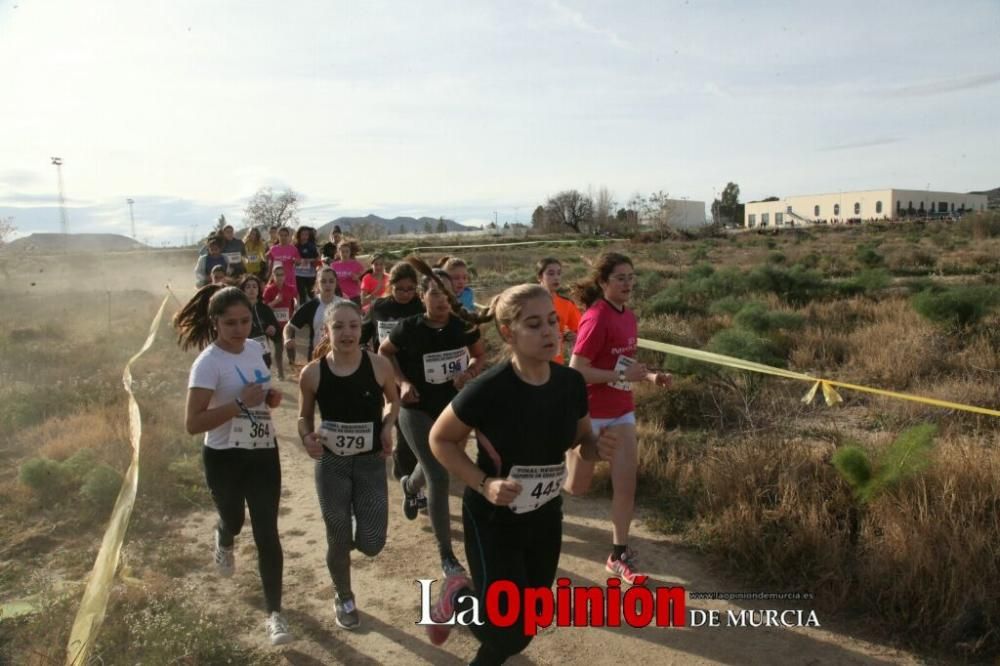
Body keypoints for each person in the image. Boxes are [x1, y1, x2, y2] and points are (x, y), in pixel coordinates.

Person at [427, 284, 620, 661]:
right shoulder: (489, 389)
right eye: (534, 324)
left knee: (526, 622)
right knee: (508, 630)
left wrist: (599, 448)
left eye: (552, 321)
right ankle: (459, 595)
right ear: (507, 333)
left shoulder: (570, 383)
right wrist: (485, 484)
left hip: (545, 515)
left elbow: (582, 440)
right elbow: (440, 439)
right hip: (493, 519)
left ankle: (464, 603)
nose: (549, 331)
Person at [175, 285, 291, 646]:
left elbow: (261, 393)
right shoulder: (207, 364)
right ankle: (223, 538)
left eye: (244, 321)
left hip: (261, 451)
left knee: (267, 533)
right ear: (215, 323)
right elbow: (193, 423)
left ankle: (275, 614)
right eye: (230, 324)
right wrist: (239, 404)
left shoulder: (256, 349)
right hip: (224, 457)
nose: (240, 329)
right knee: (234, 521)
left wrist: (269, 398)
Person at [566, 252, 671, 584]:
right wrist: (615, 373)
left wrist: (650, 377)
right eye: (620, 278)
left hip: (622, 411)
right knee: (577, 488)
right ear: (603, 282)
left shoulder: (629, 317)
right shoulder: (596, 318)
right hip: (589, 414)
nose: (628, 284)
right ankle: (545, 482)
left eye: (631, 277)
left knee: (626, 485)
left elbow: (623, 366)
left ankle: (618, 553)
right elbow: (577, 371)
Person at [378, 261, 486, 577]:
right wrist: (403, 382)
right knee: (439, 474)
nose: (441, 300)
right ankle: (447, 555)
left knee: (430, 468)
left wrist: (469, 372)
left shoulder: (463, 326)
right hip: (417, 409)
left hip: (453, 409)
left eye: (447, 293)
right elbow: (385, 352)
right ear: (424, 297)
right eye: (435, 293)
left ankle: (410, 486)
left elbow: (480, 355)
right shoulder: (408, 327)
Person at [297, 301, 400, 630]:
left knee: (372, 543)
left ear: (362, 328)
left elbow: (393, 400)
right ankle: (344, 594)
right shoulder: (313, 373)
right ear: (326, 330)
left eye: (353, 325)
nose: (347, 333)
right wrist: (306, 437)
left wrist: (386, 427)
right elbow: (303, 416)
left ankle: (346, 539)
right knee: (337, 536)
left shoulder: (380, 366)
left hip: (370, 463)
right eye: (338, 326)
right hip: (332, 465)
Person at [361, 262, 424, 480]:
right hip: (385, 373)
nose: (406, 294)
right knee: (396, 421)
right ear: (391, 286)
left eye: (410, 289)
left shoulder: (422, 308)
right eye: (400, 289)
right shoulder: (379, 307)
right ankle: (405, 468)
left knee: (409, 427)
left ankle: (405, 467)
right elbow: (364, 334)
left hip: (415, 374)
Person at [283, 266, 346, 364]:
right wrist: (288, 338)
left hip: (342, 356)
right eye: (323, 281)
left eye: (331, 281)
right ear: (317, 284)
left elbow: (359, 326)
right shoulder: (311, 306)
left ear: (336, 283)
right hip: (317, 357)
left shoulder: (345, 305)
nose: (327, 285)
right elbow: (289, 326)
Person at [536, 257, 581, 365]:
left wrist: (573, 336)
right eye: (551, 274)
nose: (556, 278)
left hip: (556, 363)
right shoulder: (527, 302)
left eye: (559, 273)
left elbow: (581, 330)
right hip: (532, 363)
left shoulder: (566, 304)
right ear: (539, 277)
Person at [263, 265, 298, 380]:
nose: (280, 277)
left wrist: (297, 304)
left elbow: (296, 297)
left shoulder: (290, 288)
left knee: (291, 347)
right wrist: (276, 301)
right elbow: (265, 308)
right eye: (277, 274)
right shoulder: (269, 289)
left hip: (288, 324)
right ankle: (280, 371)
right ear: (273, 276)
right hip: (276, 324)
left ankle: (293, 368)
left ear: (285, 276)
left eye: (282, 274)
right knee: (278, 349)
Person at [240, 274, 279, 368]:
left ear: (259, 290)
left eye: (254, 286)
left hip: (263, 351)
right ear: (243, 290)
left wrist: (273, 329)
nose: (251, 289)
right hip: (243, 351)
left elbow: (277, 331)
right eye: (248, 287)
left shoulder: (265, 309)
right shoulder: (238, 309)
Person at [266, 227, 301, 291]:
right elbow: (270, 262)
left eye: (285, 235)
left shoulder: (293, 249)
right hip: (276, 278)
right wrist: (268, 274)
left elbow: (298, 262)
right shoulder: (273, 249)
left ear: (289, 236)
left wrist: (296, 261)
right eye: (281, 235)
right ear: (278, 236)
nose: (283, 237)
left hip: (289, 278)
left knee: (290, 297)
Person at [331, 240, 365, 305]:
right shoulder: (333, 265)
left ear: (350, 252)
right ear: (338, 252)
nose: (345, 254)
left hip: (354, 296)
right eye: (342, 252)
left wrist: (357, 278)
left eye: (347, 251)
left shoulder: (356, 264)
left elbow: (363, 281)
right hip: (338, 296)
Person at [294, 226, 320, 306]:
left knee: (312, 293)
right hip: (298, 274)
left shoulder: (312, 246)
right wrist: (296, 261)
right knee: (301, 294)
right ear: (299, 235)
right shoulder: (295, 246)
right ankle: (302, 310)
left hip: (310, 274)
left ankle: (315, 309)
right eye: (303, 234)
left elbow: (317, 259)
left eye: (306, 235)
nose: (304, 236)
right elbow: (292, 258)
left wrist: (308, 261)